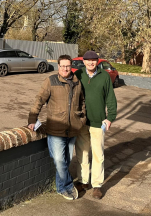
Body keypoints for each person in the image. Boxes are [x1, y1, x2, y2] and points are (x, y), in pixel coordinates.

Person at [28, 54, 86, 200]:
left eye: (68, 66)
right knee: (59, 160)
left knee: (66, 159)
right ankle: (66, 185)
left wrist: (82, 119)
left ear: (71, 66)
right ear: (58, 66)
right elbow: (39, 99)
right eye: (62, 66)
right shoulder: (51, 80)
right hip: (56, 128)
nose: (65, 69)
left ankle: (60, 188)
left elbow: (82, 101)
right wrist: (32, 118)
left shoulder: (77, 82)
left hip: (72, 128)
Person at [75, 50, 117, 199]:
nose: (91, 62)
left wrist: (110, 117)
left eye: (94, 60)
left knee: (98, 154)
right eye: (88, 60)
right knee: (82, 153)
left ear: (98, 61)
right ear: (84, 62)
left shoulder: (104, 76)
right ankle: (83, 181)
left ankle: (97, 185)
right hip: (82, 122)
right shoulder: (79, 75)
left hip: (98, 122)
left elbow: (110, 98)